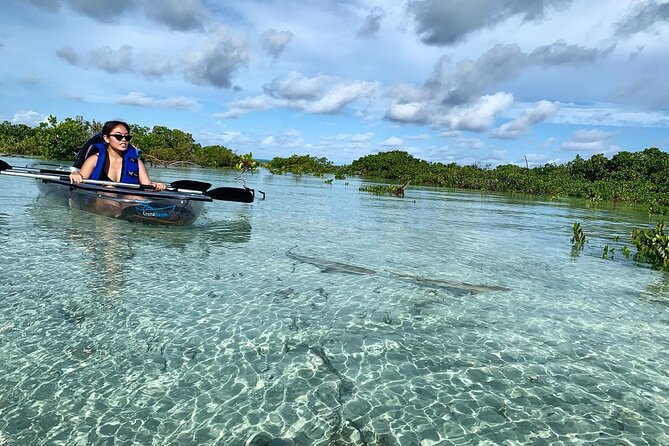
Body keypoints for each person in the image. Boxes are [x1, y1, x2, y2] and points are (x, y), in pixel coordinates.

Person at [69, 120, 166, 191]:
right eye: (118, 136)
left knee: (136, 197)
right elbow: (80, 181)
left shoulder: (137, 162)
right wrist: (75, 174)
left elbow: (147, 186)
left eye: (127, 137)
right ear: (106, 138)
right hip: (101, 204)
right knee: (109, 189)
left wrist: (156, 185)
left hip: (127, 202)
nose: (124, 140)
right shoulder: (94, 160)